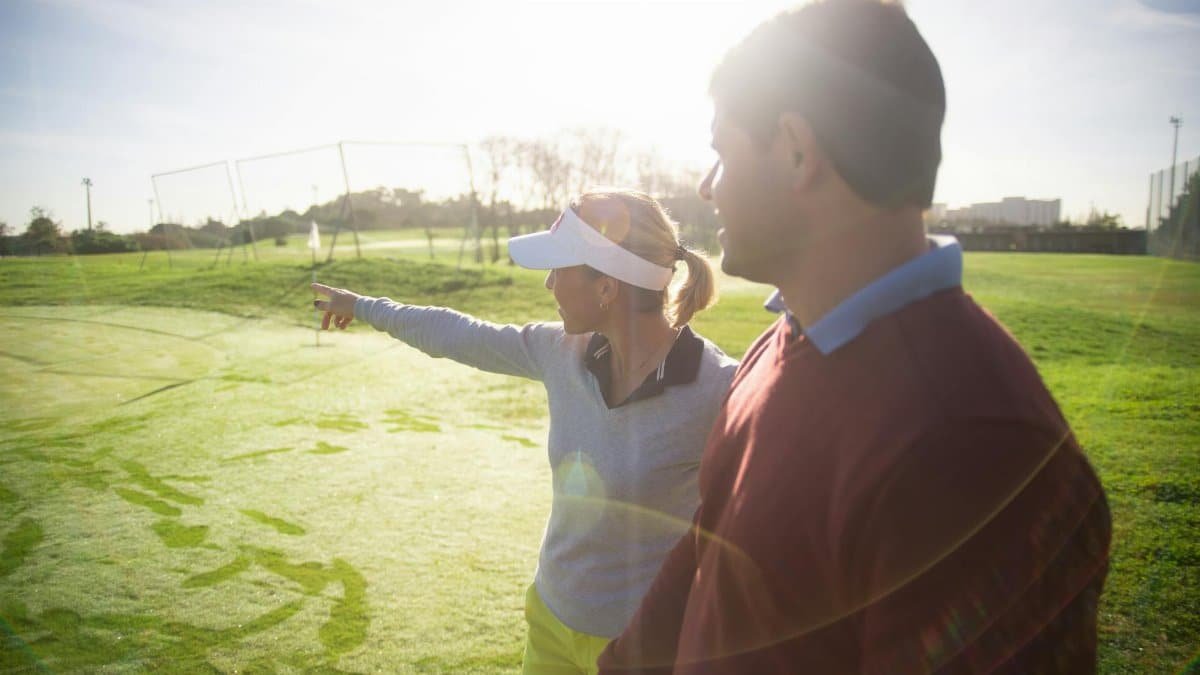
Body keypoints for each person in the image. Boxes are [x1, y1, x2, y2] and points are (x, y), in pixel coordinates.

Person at [597, 2, 1111, 673]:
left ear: (797, 149)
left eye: (721, 149)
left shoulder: (976, 445)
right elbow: (712, 542)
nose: (706, 184)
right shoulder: (786, 337)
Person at [312, 188, 738, 675]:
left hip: (645, 646)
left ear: (607, 288)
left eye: (559, 270)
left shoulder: (718, 388)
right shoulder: (562, 351)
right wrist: (364, 306)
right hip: (550, 618)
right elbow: (458, 334)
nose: (549, 285)